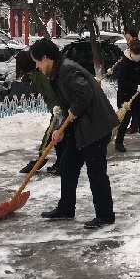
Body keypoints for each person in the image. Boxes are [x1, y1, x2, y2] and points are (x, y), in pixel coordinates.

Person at [30, 38, 120, 229]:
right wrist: (60, 129)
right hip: (83, 127)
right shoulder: (57, 72)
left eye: (37, 62)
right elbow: (67, 105)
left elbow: (84, 94)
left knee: (96, 173)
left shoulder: (67, 70)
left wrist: (74, 112)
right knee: (68, 164)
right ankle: (66, 208)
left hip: (95, 127)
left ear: (46, 58)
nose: (37, 67)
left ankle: (105, 216)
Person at [14, 50, 65, 174]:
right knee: (54, 136)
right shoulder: (34, 75)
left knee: (57, 136)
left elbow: (51, 93)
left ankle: (62, 165)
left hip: (60, 109)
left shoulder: (40, 75)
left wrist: (58, 109)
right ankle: (59, 163)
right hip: (55, 109)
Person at [114, 40, 140, 153]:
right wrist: (135, 87)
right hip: (126, 98)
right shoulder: (125, 64)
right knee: (125, 120)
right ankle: (119, 143)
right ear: (131, 52)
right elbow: (121, 82)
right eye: (137, 54)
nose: (139, 56)